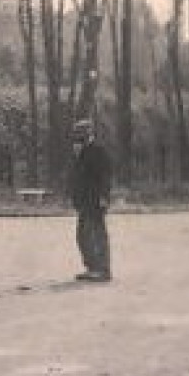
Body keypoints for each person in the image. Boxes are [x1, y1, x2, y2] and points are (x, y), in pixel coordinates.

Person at [69, 119, 112, 282]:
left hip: (95, 200)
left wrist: (104, 197)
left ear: (89, 134)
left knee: (97, 234)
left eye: (81, 133)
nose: (78, 137)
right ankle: (92, 267)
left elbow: (105, 177)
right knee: (82, 236)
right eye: (77, 134)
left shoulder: (99, 151)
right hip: (84, 201)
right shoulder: (81, 152)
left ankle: (103, 269)